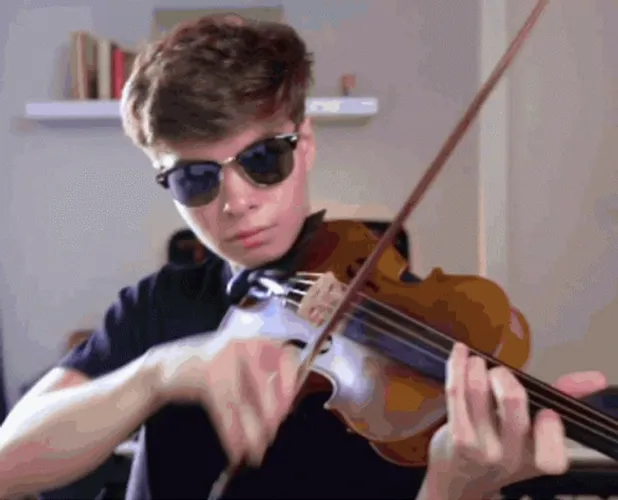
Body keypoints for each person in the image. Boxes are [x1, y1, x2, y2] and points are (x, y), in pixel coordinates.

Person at [0, 13, 608, 500]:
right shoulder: (160, 305)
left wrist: (455, 491)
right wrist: (159, 374)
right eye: (195, 178)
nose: (236, 202)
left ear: (306, 144)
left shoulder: (421, 324)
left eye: (263, 159)